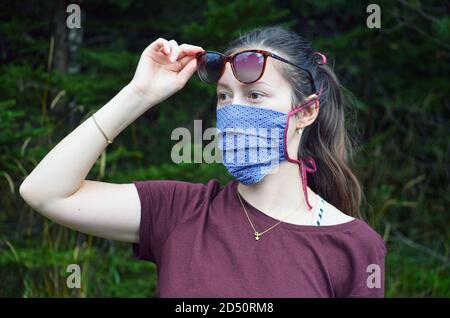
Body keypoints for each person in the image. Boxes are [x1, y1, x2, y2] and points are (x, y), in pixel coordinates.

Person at [19, 26, 386, 298]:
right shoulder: (180, 212)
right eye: (224, 96)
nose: (234, 111)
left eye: (255, 95)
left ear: (306, 113)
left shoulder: (353, 245)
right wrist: (139, 94)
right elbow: (45, 193)